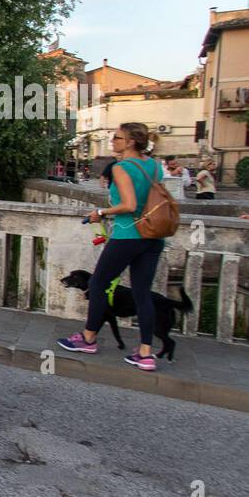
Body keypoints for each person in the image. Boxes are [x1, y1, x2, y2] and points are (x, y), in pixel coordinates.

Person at [57, 123, 166, 371]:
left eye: (116, 137)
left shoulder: (122, 168)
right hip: (153, 236)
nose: (112, 141)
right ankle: (146, 353)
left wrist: (100, 212)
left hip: (128, 235)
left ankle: (88, 338)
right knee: (142, 293)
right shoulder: (153, 166)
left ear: (129, 142)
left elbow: (129, 205)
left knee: (97, 284)